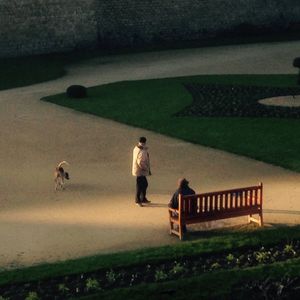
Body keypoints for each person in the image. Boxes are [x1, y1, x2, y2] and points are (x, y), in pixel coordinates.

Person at [132, 136, 151, 206]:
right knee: (140, 186)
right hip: (141, 171)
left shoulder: (136, 148)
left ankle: (142, 198)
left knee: (144, 184)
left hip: (138, 170)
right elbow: (140, 162)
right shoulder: (142, 151)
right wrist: (146, 169)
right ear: (145, 142)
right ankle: (138, 200)